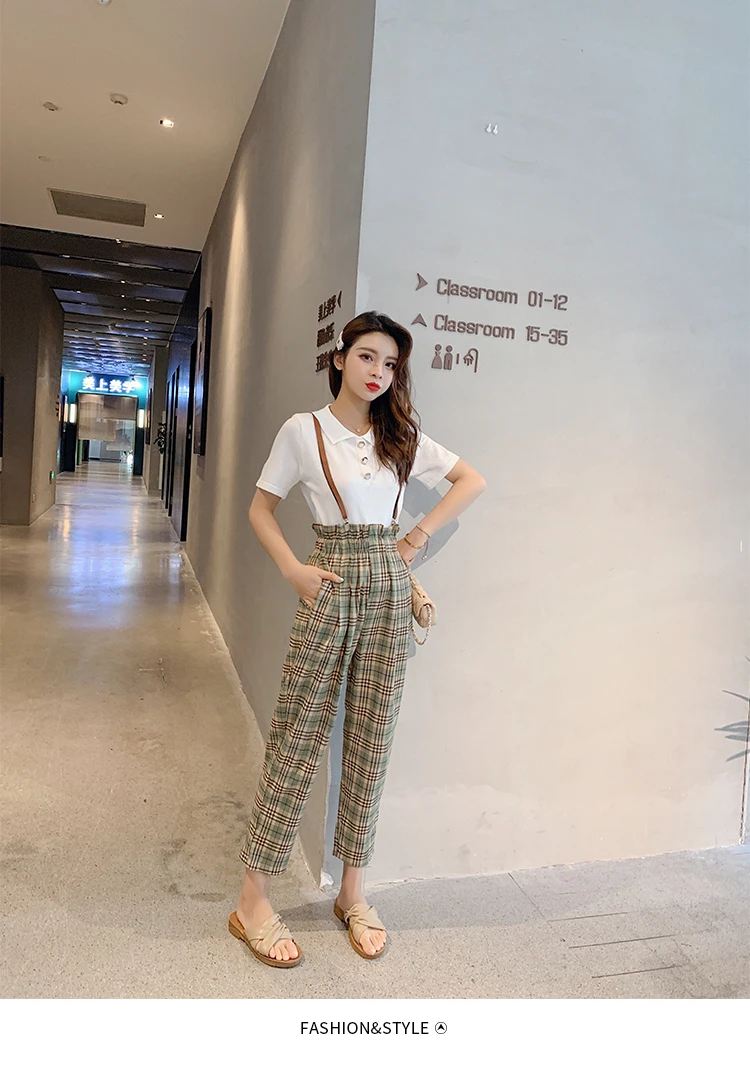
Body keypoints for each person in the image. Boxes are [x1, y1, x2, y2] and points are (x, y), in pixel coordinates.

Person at [229, 311, 486, 967]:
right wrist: (292, 569)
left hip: (388, 588)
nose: (379, 372)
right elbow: (260, 507)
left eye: (390, 364)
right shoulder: (303, 431)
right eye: (368, 357)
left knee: (372, 738)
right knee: (297, 733)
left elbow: (471, 480)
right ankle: (252, 899)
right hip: (330, 580)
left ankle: (352, 891)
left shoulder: (399, 436)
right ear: (339, 359)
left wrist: (414, 539)